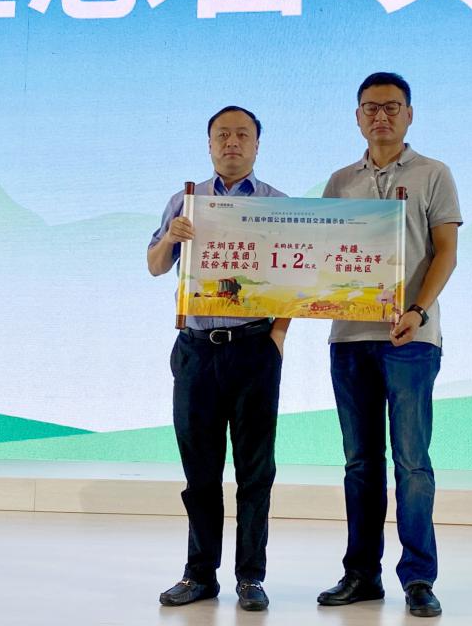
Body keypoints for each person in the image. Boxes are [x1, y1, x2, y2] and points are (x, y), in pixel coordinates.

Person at [316, 72, 461, 618]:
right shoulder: (339, 182)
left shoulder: (433, 173)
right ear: (357, 117)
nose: (381, 115)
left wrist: (417, 311)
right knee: (360, 464)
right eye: (371, 107)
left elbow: (446, 251)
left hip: (411, 340)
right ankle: (361, 575)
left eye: (392, 106)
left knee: (411, 463)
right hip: (350, 339)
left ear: (409, 114)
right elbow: (322, 257)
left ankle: (419, 578)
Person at [147, 105, 290, 612]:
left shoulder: (279, 206)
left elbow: (296, 280)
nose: (232, 143)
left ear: (257, 144)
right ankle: (199, 574)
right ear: (209, 144)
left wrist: (277, 336)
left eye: (242, 135)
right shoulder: (186, 202)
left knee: (255, 471)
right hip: (195, 352)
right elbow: (154, 266)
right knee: (201, 472)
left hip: (253, 349)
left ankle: (250, 577)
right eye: (222, 135)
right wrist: (172, 236)